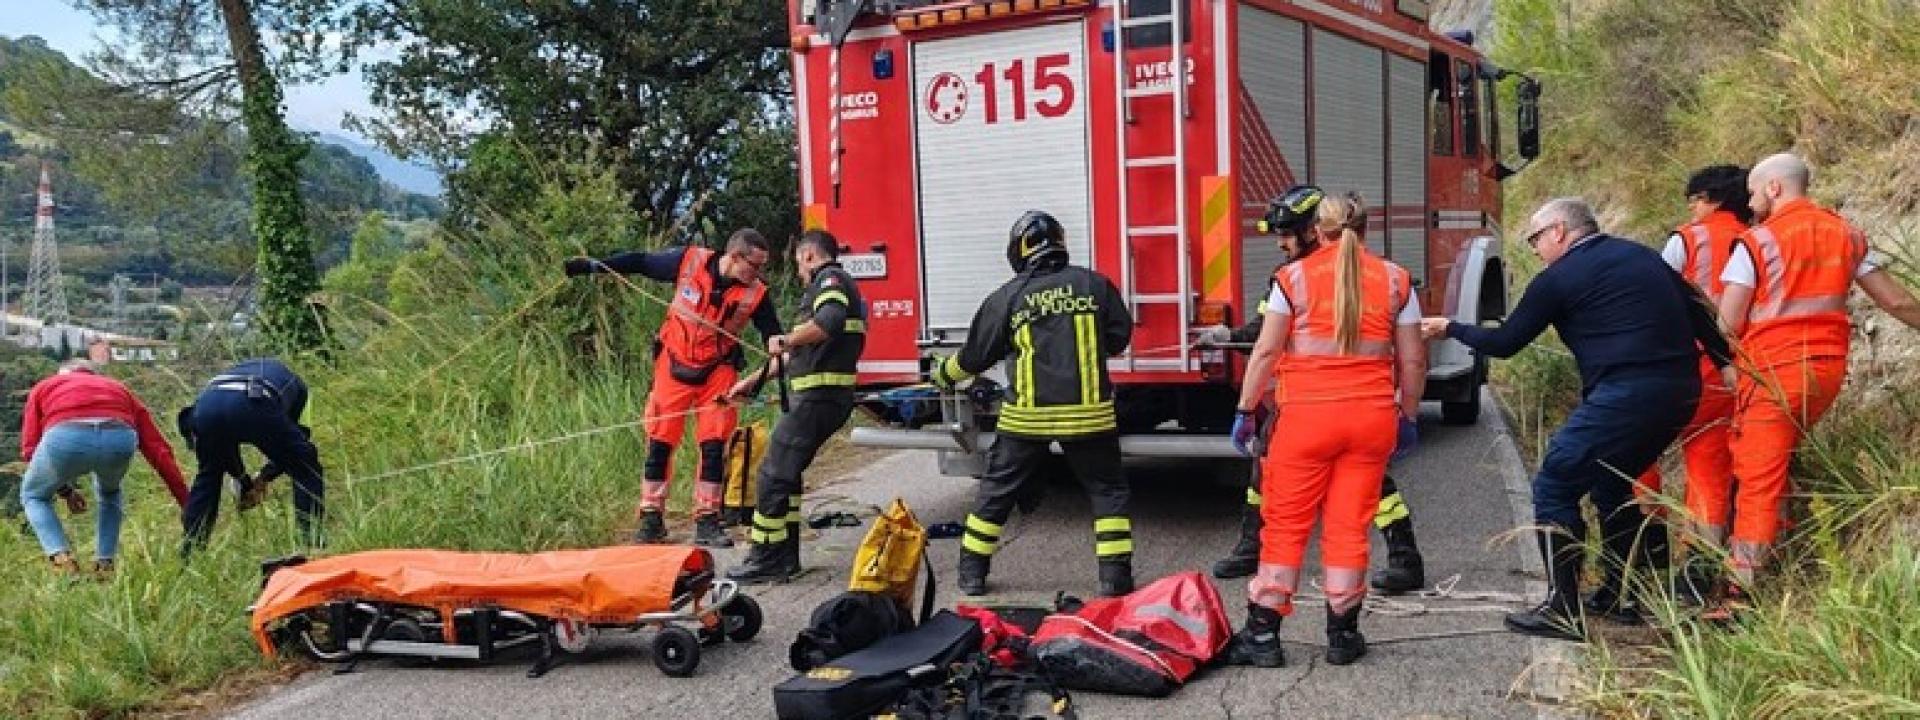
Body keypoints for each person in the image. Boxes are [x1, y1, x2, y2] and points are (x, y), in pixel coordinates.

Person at [1419, 198, 1732, 641]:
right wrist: (1727, 365)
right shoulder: (1643, 256)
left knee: (1554, 482)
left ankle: (1562, 610)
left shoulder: (1559, 277)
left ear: (1560, 232)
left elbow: (1506, 343)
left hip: (1625, 395)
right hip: (1680, 392)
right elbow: (1700, 311)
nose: (1534, 248)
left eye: (1535, 238)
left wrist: (1450, 328)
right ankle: (1620, 595)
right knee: (1610, 482)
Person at [1709, 152, 1920, 617]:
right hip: (1825, 373)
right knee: (1780, 460)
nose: (1750, 202)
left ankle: (1738, 594)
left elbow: (1727, 321)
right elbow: (1898, 302)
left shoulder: (1757, 242)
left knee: (1757, 478)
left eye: (1752, 192)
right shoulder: (1847, 233)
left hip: (1772, 374)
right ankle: (1776, 560)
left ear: (1774, 189)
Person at [1221, 193, 1425, 668]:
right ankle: (1342, 634)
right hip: (1371, 422)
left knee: (1286, 526)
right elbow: (1413, 359)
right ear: (1366, 228)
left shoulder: (1292, 279)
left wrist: (1245, 408)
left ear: (1318, 230)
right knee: (1349, 528)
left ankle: (1263, 635)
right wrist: (1408, 416)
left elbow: (1267, 352)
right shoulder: (1396, 280)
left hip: (1306, 421)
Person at [930, 211, 1137, 598]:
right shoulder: (1095, 285)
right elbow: (1118, 339)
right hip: (1090, 416)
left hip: (1027, 419)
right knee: (1107, 493)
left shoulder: (1007, 297)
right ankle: (1115, 578)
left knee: (997, 493)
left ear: (1020, 250)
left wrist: (943, 375)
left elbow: (975, 357)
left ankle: (972, 573)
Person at [565, 230, 783, 546]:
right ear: (734, 257)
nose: (757, 274)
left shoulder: (756, 293)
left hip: (717, 372)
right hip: (673, 365)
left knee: (713, 445)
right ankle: (651, 517)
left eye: (761, 267)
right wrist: (591, 267)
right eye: (754, 265)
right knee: (660, 442)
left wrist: (777, 344)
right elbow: (639, 262)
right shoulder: (688, 262)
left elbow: (771, 331)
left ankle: (708, 520)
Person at [1619, 164, 1751, 613]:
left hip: (1679, 366)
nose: (1691, 208)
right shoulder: (1760, 238)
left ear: (1711, 199)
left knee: (1636, 452)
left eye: (1693, 199)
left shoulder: (1687, 240)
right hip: (1734, 373)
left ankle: (1648, 542)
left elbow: (1654, 297)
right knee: (1709, 468)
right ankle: (1699, 566)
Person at [725, 230, 868, 582]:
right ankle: (785, 557)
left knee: (772, 476)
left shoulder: (830, 280)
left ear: (808, 256)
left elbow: (829, 322)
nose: (800, 273)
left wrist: (786, 338)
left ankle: (765, 559)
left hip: (818, 399)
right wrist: (753, 382)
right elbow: (798, 353)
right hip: (819, 400)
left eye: (799, 265)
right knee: (785, 476)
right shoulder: (830, 285)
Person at [19, 359, 187, 575]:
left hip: (66, 437)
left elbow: (30, 450)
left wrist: (65, 491)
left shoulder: (46, 385)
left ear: (62, 374)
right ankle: (105, 564)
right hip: (119, 437)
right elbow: (157, 449)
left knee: (34, 496)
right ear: (96, 376)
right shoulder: (118, 388)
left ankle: (62, 559)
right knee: (110, 493)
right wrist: (187, 502)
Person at [180, 358, 325, 554]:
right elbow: (298, 447)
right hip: (254, 401)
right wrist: (265, 477)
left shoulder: (231, 374)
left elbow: (224, 452)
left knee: (209, 475)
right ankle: (312, 545)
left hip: (206, 407)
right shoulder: (299, 388)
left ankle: (190, 554)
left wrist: (246, 482)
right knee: (306, 469)